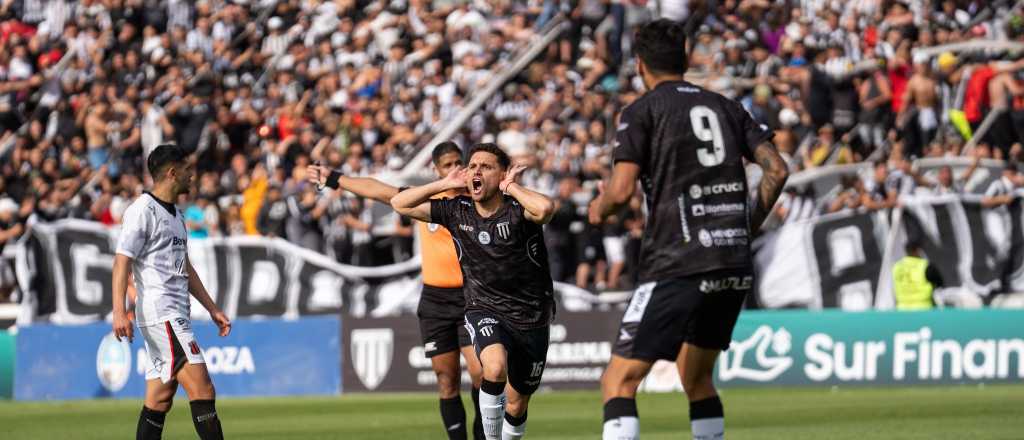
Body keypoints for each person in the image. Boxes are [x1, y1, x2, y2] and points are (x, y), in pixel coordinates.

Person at [588, 19, 789, 440]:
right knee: (696, 378)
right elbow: (777, 170)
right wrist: (745, 226)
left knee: (618, 381)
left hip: (677, 262)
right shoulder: (726, 106)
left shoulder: (641, 111)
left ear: (640, 65)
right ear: (685, 58)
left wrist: (598, 209)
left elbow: (620, 192)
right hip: (732, 262)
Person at [308, 142, 486, 440]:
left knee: (481, 373)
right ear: (436, 170)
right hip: (436, 300)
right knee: (446, 379)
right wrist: (335, 178)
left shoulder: (477, 200)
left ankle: (484, 435)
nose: (455, 169)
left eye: (459, 162)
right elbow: (378, 190)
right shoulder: (425, 200)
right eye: (447, 165)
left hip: (471, 298)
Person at [392, 143, 556, 440]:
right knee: (493, 368)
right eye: (473, 166)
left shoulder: (518, 209)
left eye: (486, 166)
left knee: (517, 404)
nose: (476, 170)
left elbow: (545, 209)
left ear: (502, 174)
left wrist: (511, 186)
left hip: (531, 315)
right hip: (484, 307)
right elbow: (399, 203)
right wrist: (443, 183)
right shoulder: (457, 210)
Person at [111, 144, 232, 440]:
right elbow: (121, 261)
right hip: (161, 312)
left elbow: (184, 267)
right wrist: (119, 311)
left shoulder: (177, 215)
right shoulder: (142, 210)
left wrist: (212, 308)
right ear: (172, 173)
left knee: (159, 399)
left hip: (174, 313)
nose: (192, 175)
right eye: (187, 169)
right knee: (203, 389)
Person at [893, 242, 944, 310]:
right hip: (923, 309)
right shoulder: (926, 266)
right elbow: (940, 284)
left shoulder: (897, 267)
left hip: (902, 310)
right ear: (917, 250)